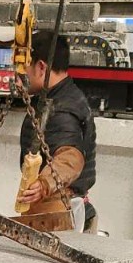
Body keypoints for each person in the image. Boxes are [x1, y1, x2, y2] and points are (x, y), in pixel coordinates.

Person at [16, 28, 97, 232]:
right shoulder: (64, 96)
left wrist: (45, 183)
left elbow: (71, 158)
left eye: (23, 69)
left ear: (41, 67)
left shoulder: (62, 109)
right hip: (60, 207)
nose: (18, 79)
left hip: (59, 214)